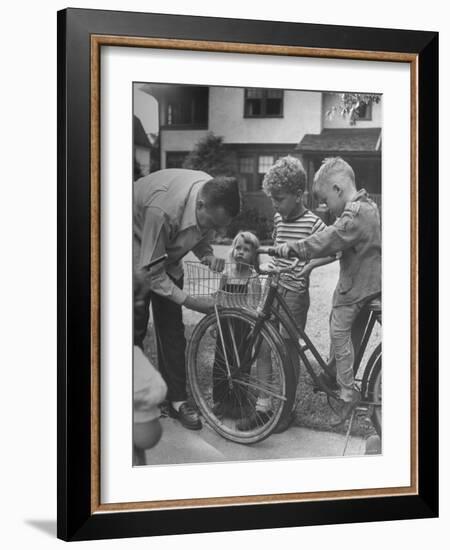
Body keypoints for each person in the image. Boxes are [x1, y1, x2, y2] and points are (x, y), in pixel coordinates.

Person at [274, 157, 381, 423]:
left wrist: (295, 247)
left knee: (339, 331)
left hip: (356, 290)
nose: (325, 207)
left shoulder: (353, 215)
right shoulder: (369, 206)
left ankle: (347, 394)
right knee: (342, 328)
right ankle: (333, 374)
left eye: (325, 199)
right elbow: (344, 244)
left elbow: (331, 237)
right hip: (370, 286)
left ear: (337, 189)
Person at [133, 168, 240, 430]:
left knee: (172, 330)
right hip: (134, 244)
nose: (213, 230)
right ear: (200, 204)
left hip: (165, 251)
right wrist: (192, 302)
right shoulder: (162, 210)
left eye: (218, 226)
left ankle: (177, 400)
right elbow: (152, 273)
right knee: (134, 326)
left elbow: (200, 231)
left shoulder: (209, 192)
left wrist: (206, 252)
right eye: (213, 225)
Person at [237, 156, 335, 432]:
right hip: (273, 289)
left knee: (288, 349)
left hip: (294, 294)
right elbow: (279, 248)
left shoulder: (313, 223)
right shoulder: (280, 218)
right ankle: (264, 406)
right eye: (273, 199)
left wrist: (308, 268)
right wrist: (271, 265)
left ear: (298, 195)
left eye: (279, 199)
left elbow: (334, 250)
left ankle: (285, 410)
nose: (275, 205)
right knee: (264, 346)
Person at [212, 231, 261, 417]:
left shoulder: (252, 277)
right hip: (225, 324)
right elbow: (219, 295)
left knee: (240, 364)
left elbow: (254, 304)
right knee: (221, 361)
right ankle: (221, 400)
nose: (240, 252)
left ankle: (238, 402)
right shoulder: (227, 273)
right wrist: (214, 322)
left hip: (242, 325)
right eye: (238, 247)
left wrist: (246, 317)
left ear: (254, 255)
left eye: (246, 249)